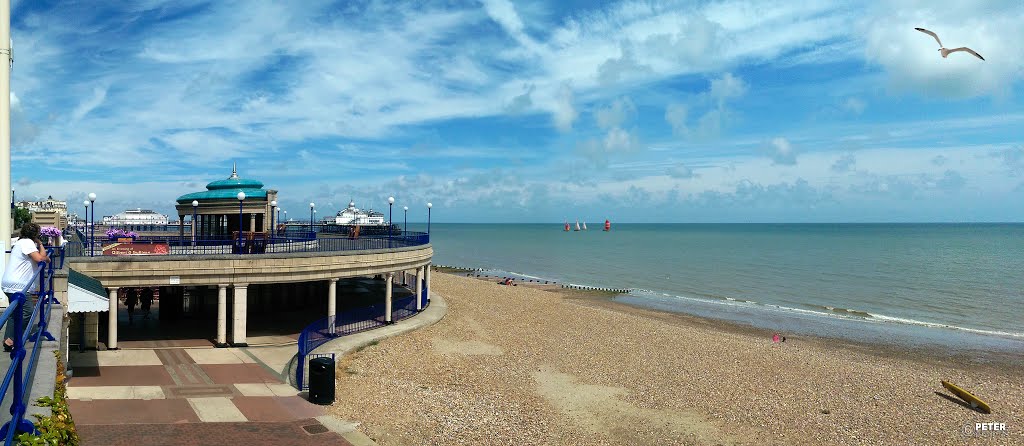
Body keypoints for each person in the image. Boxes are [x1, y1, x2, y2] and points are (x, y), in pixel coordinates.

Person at [2, 223, 51, 352]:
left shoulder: (21, 242)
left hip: (9, 284)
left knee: (14, 313)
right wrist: (42, 250)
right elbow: (40, 258)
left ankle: (8, 340)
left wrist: (39, 245)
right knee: (28, 312)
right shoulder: (27, 243)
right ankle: (14, 339)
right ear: (35, 234)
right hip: (18, 286)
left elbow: (42, 256)